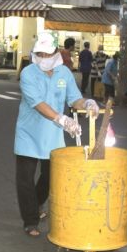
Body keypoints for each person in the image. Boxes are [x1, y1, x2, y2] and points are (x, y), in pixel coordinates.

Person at [15, 32, 99, 237]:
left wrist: (86, 103)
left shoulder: (64, 73)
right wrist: (62, 119)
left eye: (47, 53)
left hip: (53, 136)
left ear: (56, 52)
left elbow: (74, 99)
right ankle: (30, 220)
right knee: (25, 178)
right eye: (40, 54)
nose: (43, 58)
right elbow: (37, 103)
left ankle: (35, 204)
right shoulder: (28, 73)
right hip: (29, 133)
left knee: (50, 176)